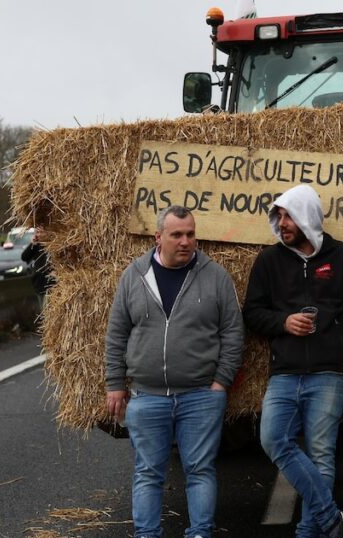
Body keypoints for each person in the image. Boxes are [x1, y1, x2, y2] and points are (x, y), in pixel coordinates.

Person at [242, 185, 343, 538]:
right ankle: (333, 521)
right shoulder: (269, 261)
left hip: (330, 371)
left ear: (306, 218)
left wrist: (336, 338)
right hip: (284, 371)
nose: (282, 223)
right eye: (279, 216)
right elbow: (252, 313)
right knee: (273, 440)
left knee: (320, 452)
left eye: (288, 216)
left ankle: (309, 533)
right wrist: (283, 323)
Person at [104, 205, 244, 538]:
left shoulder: (215, 277)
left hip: (200, 396)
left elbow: (233, 332)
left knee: (199, 470)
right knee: (148, 472)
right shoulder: (134, 276)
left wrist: (221, 382)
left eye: (191, 234)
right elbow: (117, 332)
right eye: (177, 234)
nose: (185, 241)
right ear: (158, 237)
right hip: (147, 396)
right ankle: (147, 534)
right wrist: (115, 382)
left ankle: (199, 533)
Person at [21, 226, 55, 308]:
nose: (39, 235)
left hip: (50, 284)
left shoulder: (54, 245)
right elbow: (24, 257)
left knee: (48, 311)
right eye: (37, 232)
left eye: (41, 232)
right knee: (43, 312)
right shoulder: (36, 246)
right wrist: (32, 244)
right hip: (39, 283)